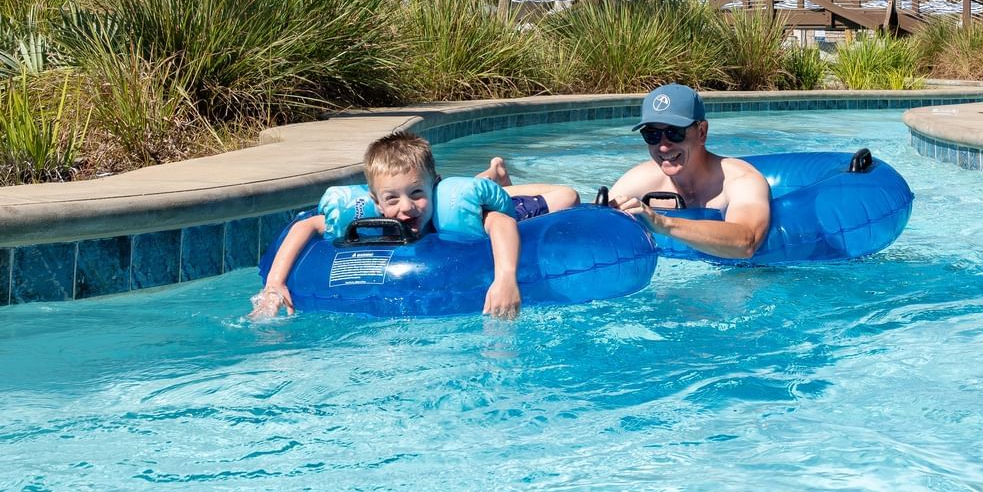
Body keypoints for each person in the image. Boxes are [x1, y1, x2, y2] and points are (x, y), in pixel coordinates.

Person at [252, 130, 578, 320]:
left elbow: (502, 221)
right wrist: (275, 284)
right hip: (447, 195)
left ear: (433, 188)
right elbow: (306, 226)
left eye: (417, 194)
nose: (406, 207)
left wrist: (505, 278)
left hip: (474, 210)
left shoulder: (452, 212)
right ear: (376, 202)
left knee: (568, 197)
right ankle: (489, 176)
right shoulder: (368, 214)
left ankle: (498, 182)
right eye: (392, 199)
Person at [608, 84, 772, 261]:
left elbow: (746, 243)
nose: (663, 146)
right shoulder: (640, 179)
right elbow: (595, 219)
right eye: (652, 134)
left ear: (702, 132)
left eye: (674, 133)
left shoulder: (742, 180)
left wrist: (663, 223)